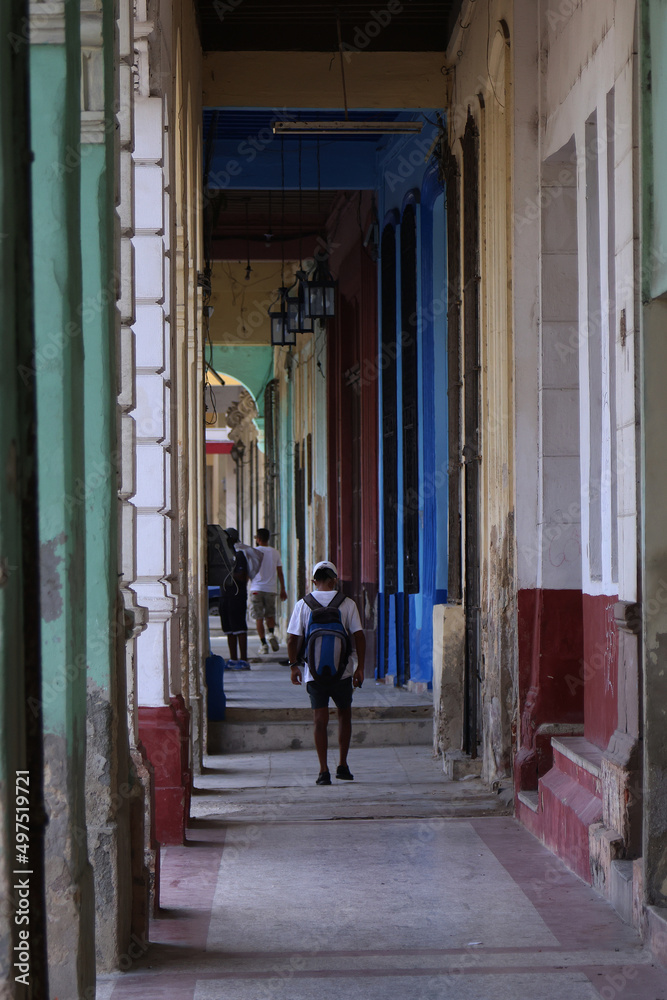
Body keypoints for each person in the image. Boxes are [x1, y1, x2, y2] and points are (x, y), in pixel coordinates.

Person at [286, 561, 365, 785]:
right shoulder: (347, 603)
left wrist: (294, 665)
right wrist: (360, 668)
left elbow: (292, 638)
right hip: (343, 672)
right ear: (334, 580)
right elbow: (359, 636)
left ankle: (323, 771)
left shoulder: (303, 604)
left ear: (314, 581)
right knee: (344, 716)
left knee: (319, 721)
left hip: (314, 673)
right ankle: (343, 765)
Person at [249, 527, 287, 654]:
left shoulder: (253, 552)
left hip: (256, 589)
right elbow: (280, 573)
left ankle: (264, 644)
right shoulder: (275, 552)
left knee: (258, 618)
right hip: (271, 589)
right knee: (270, 615)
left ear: (258, 539)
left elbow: (249, 570)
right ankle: (271, 634)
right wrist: (283, 589)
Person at [218, 528, 250, 669]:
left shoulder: (239, 556)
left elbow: (242, 576)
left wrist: (227, 572)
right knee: (229, 630)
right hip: (224, 596)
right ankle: (233, 659)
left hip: (237, 596)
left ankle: (243, 660)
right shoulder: (223, 556)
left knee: (240, 628)